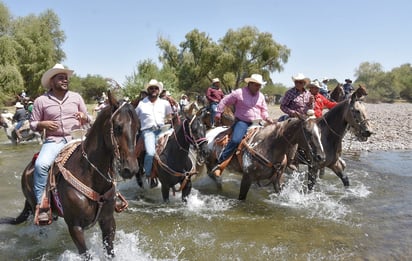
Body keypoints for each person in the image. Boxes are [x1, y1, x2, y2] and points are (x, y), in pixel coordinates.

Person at [30, 63, 90, 224]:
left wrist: (84, 117)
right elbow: (32, 124)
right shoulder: (41, 101)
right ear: (51, 81)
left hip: (76, 137)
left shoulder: (76, 97)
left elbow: (89, 118)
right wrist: (43, 124)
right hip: (54, 140)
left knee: (98, 156)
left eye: (66, 78)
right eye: (61, 78)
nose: (65, 80)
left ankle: (111, 194)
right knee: (41, 165)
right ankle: (42, 205)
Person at [209, 74, 274, 180]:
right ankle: (220, 164)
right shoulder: (239, 93)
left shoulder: (261, 96)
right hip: (242, 122)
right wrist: (218, 112)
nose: (259, 87)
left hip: (258, 123)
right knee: (235, 140)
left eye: (260, 85)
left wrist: (267, 118)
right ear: (250, 84)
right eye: (257, 85)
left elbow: (264, 110)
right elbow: (225, 101)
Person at [135, 79, 173, 187]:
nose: (154, 90)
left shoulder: (165, 103)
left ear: (159, 90)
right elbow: (134, 117)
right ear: (148, 90)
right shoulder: (141, 104)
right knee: (151, 152)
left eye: (156, 88)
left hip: (163, 129)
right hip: (148, 131)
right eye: (151, 88)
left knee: (178, 141)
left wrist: (170, 119)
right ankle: (149, 174)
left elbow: (170, 116)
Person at [279, 73, 313, 170]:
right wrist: (293, 112)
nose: (298, 83)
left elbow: (311, 108)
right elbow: (282, 106)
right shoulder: (289, 93)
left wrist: (311, 103)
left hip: (306, 117)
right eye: (296, 82)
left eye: (300, 82)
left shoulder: (308, 94)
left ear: (304, 83)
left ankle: (315, 154)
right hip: (293, 118)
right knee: (297, 133)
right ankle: (291, 159)